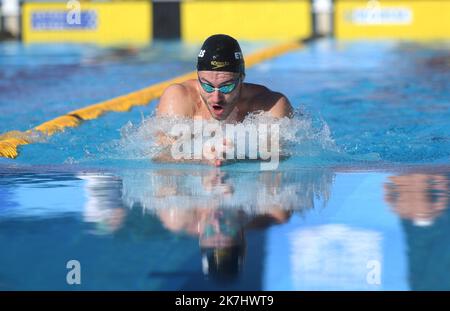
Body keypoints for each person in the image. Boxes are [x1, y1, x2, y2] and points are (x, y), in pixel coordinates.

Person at [154, 34, 293, 166]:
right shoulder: (179, 98)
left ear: (242, 78)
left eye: (226, 87)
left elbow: (277, 158)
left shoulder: (269, 105)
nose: (216, 98)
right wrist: (203, 159)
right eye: (207, 86)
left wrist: (235, 157)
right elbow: (162, 156)